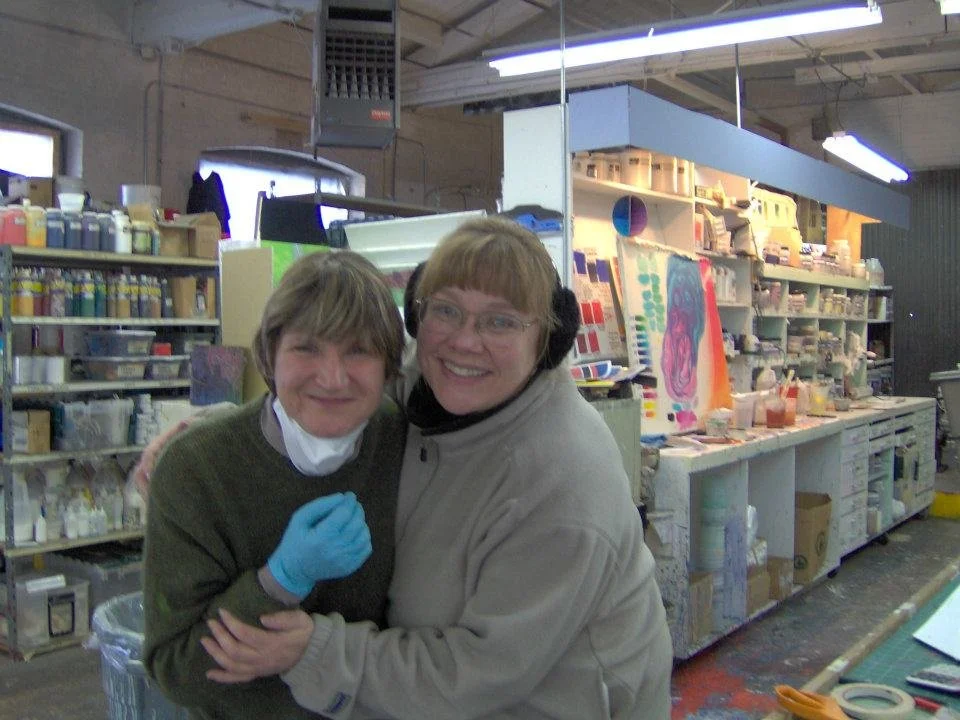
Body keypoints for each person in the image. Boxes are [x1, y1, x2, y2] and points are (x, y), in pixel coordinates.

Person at [198, 216, 674, 719]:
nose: (465, 342)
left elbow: (479, 673)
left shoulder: (563, 481)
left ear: (548, 342)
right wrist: (211, 436)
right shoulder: (427, 379)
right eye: (446, 310)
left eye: (501, 321)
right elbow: (331, 391)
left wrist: (318, 652)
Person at [142, 250, 408, 720]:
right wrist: (279, 582)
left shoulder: (403, 441)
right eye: (307, 348)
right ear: (270, 355)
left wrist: (316, 650)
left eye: (359, 350)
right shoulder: (197, 470)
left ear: (389, 368)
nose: (332, 377)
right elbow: (178, 671)